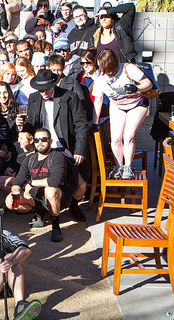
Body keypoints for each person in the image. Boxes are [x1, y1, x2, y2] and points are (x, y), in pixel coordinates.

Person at [22, 70, 88, 224]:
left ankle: (73, 205)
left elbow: (81, 125)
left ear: (54, 84)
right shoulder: (34, 99)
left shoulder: (69, 97)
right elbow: (31, 126)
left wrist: (79, 150)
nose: (43, 92)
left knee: (80, 185)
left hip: (65, 148)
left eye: (46, 89)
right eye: (40, 89)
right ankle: (41, 211)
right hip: (42, 148)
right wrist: (23, 127)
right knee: (39, 181)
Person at [9, 128, 80, 242]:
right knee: (10, 201)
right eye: (37, 140)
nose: (40, 143)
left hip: (57, 197)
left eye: (43, 139)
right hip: (36, 197)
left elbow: (55, 181)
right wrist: (16, 195)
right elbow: (18, 181)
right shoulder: (29, 159)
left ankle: (56, 226)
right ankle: (39, 213)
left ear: (50, 141)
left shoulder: (57, 156)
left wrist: (32, 183)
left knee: (50, 190)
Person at [92, 49, 152, 180]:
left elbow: (148, 83)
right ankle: (119, 166)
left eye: (110, 71)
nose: (107, 74)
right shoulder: (100, 78)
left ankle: (128, 167)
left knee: (128, 136)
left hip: (137, 104)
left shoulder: (127, 68)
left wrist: (137, 88)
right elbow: (98, 101)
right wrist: (95, 123)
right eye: (103, 70)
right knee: (115, 139)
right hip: (118, 106)